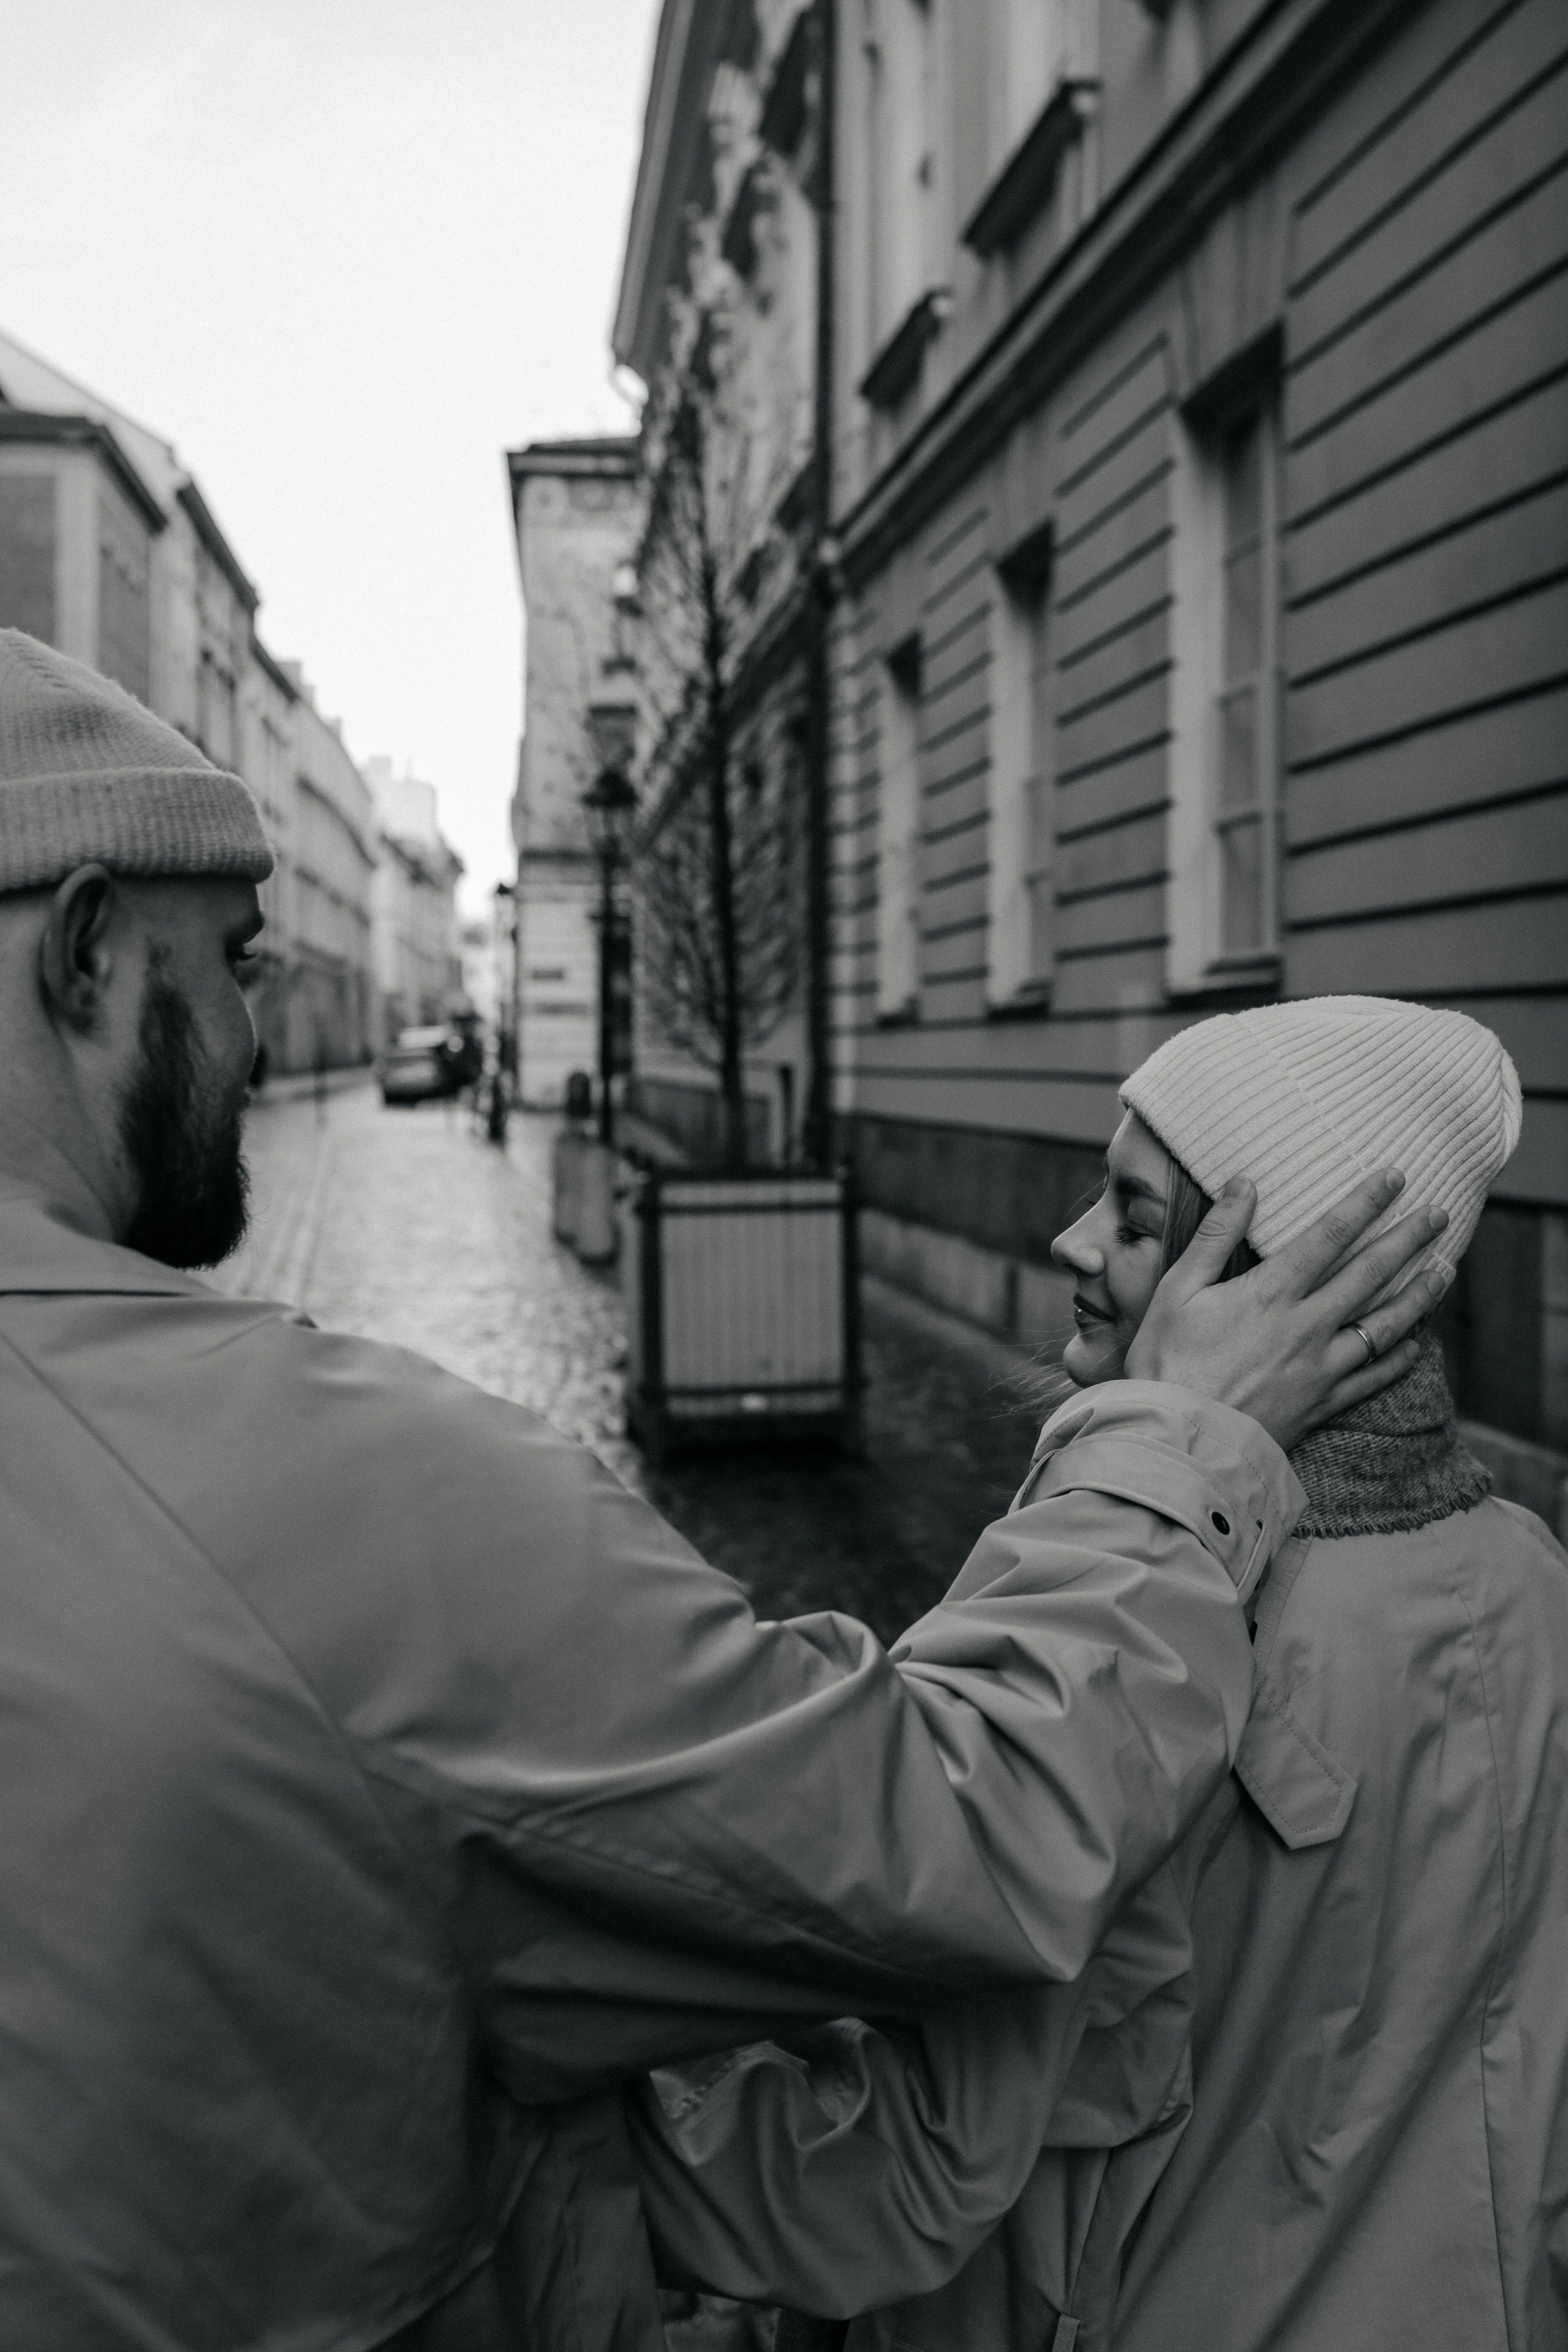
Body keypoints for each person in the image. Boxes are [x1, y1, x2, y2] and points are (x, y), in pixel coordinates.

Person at [0, 629, 1437, 2352]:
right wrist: (1187, 1442)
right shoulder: (315, 1489)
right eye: (232, 964)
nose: (248, 1033)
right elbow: (959, 1828)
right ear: (88, 953)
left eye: (1134, 1215)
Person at [630, 997, 1566, 2351]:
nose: (1070, 1239)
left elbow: (937, 2153)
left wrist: (578, 2162)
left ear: (1247, 1287)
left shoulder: (1146, 1634)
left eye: (1130, 1216)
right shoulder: (1527, 1569)